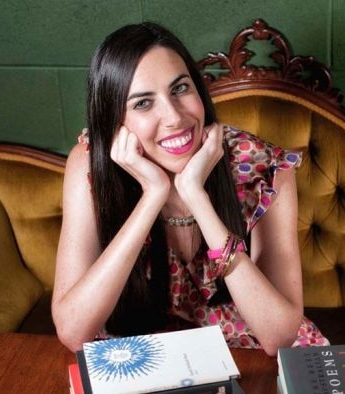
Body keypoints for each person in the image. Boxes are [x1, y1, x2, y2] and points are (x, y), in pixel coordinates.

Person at [51, 21, 328, 356]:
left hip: (247, 351)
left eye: (180, 89)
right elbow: (72, 330)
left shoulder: (264, 169)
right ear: (115, 121)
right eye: (142, 103)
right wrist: (152, 195)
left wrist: (198, 198)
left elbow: (278, 336)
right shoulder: (90, 166)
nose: (174, 117)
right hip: (142, 354)